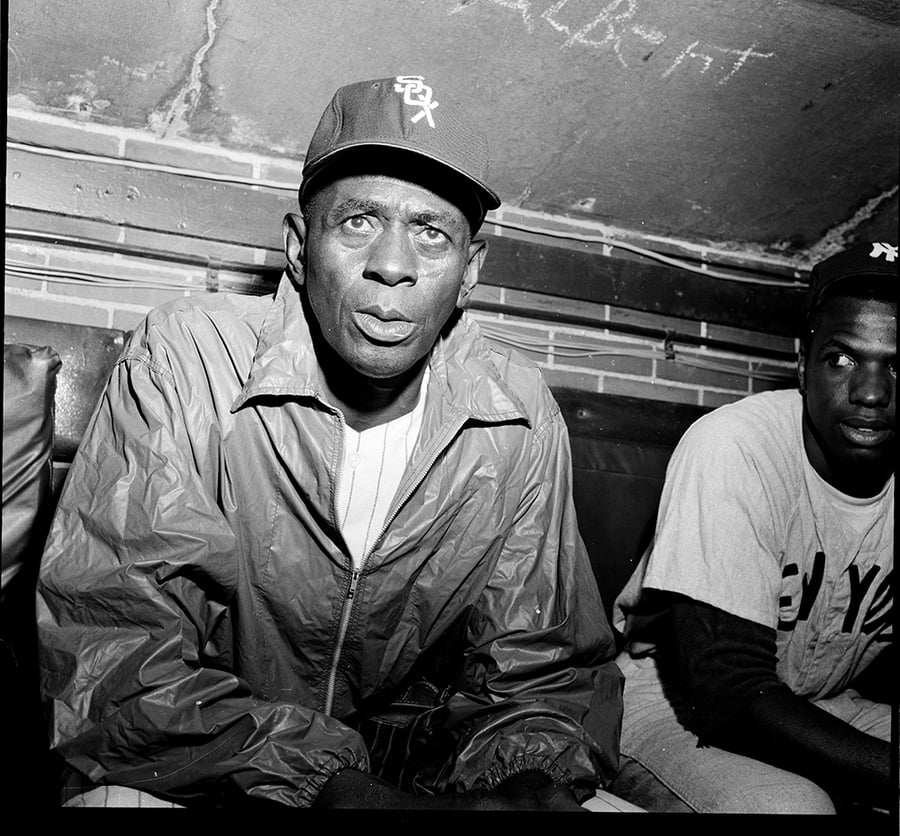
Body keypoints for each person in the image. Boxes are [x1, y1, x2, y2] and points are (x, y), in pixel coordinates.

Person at [36, 75, 627, 811]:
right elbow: (115, 654)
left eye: (432, 232)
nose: (393, 264)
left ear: (469, 272)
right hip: (202, 762)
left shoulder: (516, 411)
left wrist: (529, 774)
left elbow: (540, 668)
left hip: (407, 771)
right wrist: (329, 785)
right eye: (357, 221)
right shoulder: (188, 356)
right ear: (298, 244)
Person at [610, 241, 896, 815]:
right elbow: (729, 696)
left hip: (826, 699)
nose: (871, 393)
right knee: (792, 808)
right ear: (802, 363)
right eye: (842, 358)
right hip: (667, 701)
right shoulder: (736, 444)